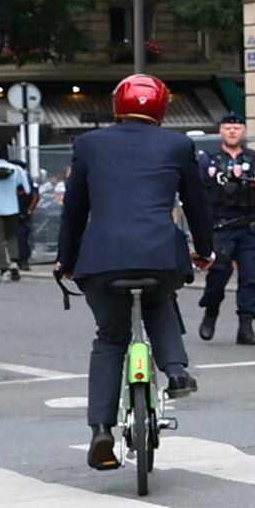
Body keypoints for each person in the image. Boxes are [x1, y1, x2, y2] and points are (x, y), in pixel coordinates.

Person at [57, 73, 214, 469]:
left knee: (110, 339)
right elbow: (197, 204)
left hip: (101, 259)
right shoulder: (178, 145)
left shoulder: (88, 144)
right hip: (161, 254)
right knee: (160, 297)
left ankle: (100, 431)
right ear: (162, 106)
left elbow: (74, 210)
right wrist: (204, 249)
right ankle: (176, 372)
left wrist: (66, 260)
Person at [194, 109, 255, 347]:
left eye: (237, 127)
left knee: (250, 279)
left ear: (243, 131)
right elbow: (196, 195)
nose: (232, 131)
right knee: (218, 276)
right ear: (220, 131)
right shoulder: (207, 161)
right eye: (227, 127)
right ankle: (211, 311)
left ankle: (246, 326)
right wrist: (197, 227)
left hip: (252, 228)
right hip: (220, 228)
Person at [0, 144, 32, 278]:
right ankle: (14, 263)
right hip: (12, 208)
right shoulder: (17, 169)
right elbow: (27, 190)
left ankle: (1, 267)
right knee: (12, 236)